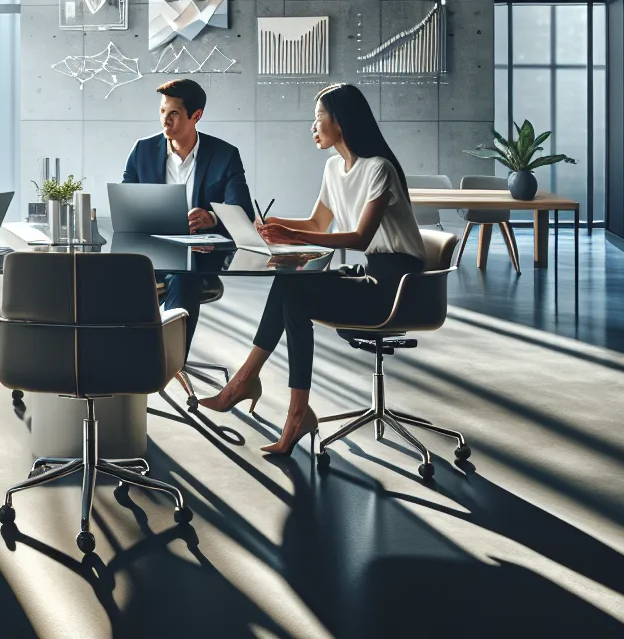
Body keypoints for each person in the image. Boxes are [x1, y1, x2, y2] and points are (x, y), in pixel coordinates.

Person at [197, 83, 426, 456]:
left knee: (295, 293)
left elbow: (360, 238)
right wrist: (269, 224)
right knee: (289, 285)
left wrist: (290, 235)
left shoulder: (379, 169)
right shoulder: (334, 167)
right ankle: (258, 389)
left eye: (319, 118)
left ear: (341, 121)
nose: (313, 127)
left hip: (399, 287)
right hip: (369, 276)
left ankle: (277, 403)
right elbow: (318, 224)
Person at [120, 78, 253, 362]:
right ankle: (126, 359)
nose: (165, 121)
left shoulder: (224, 155)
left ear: (196, 115)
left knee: (184, 277)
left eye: (174, 113)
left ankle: (167, 362)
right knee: (108, 277)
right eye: (162, 111)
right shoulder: (142, 151)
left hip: (200, 257)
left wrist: (212, 218)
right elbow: (126, 203)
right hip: (151, 253)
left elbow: (243, 211)